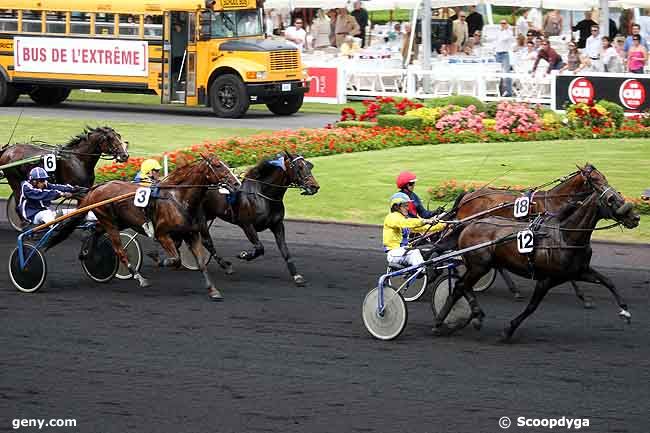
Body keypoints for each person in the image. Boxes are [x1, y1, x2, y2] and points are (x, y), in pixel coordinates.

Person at [383, 192, 445, 269]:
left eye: (408, 205)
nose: (408, 208)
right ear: (396, 207)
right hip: (394, 253)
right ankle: (422, 270)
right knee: (415, 252)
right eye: (405, 206)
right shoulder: (391, 217)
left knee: (429, 249)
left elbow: (424, 227)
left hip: (404, 252)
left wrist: (444, 225)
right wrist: (425, 221)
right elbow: (406, 223)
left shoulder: (404, 219)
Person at [133, 159, 162, 237]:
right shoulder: (142, 182)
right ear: (149, 172)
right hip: (142, 214)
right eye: (157, 170)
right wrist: (159, 185)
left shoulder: (148, 178)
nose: (159, 173)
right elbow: (155, 194)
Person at [495, 20, 514, 96]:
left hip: (505, 53)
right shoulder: (498, 32)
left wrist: (506, 29)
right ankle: (500, 91)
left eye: (504, 23)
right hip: (497, 53)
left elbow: (505, 38)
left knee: (506, 73)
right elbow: (497, 42)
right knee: (497, 73)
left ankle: (509, 92)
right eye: (501, 23)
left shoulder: (509, 32)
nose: (503, 25)